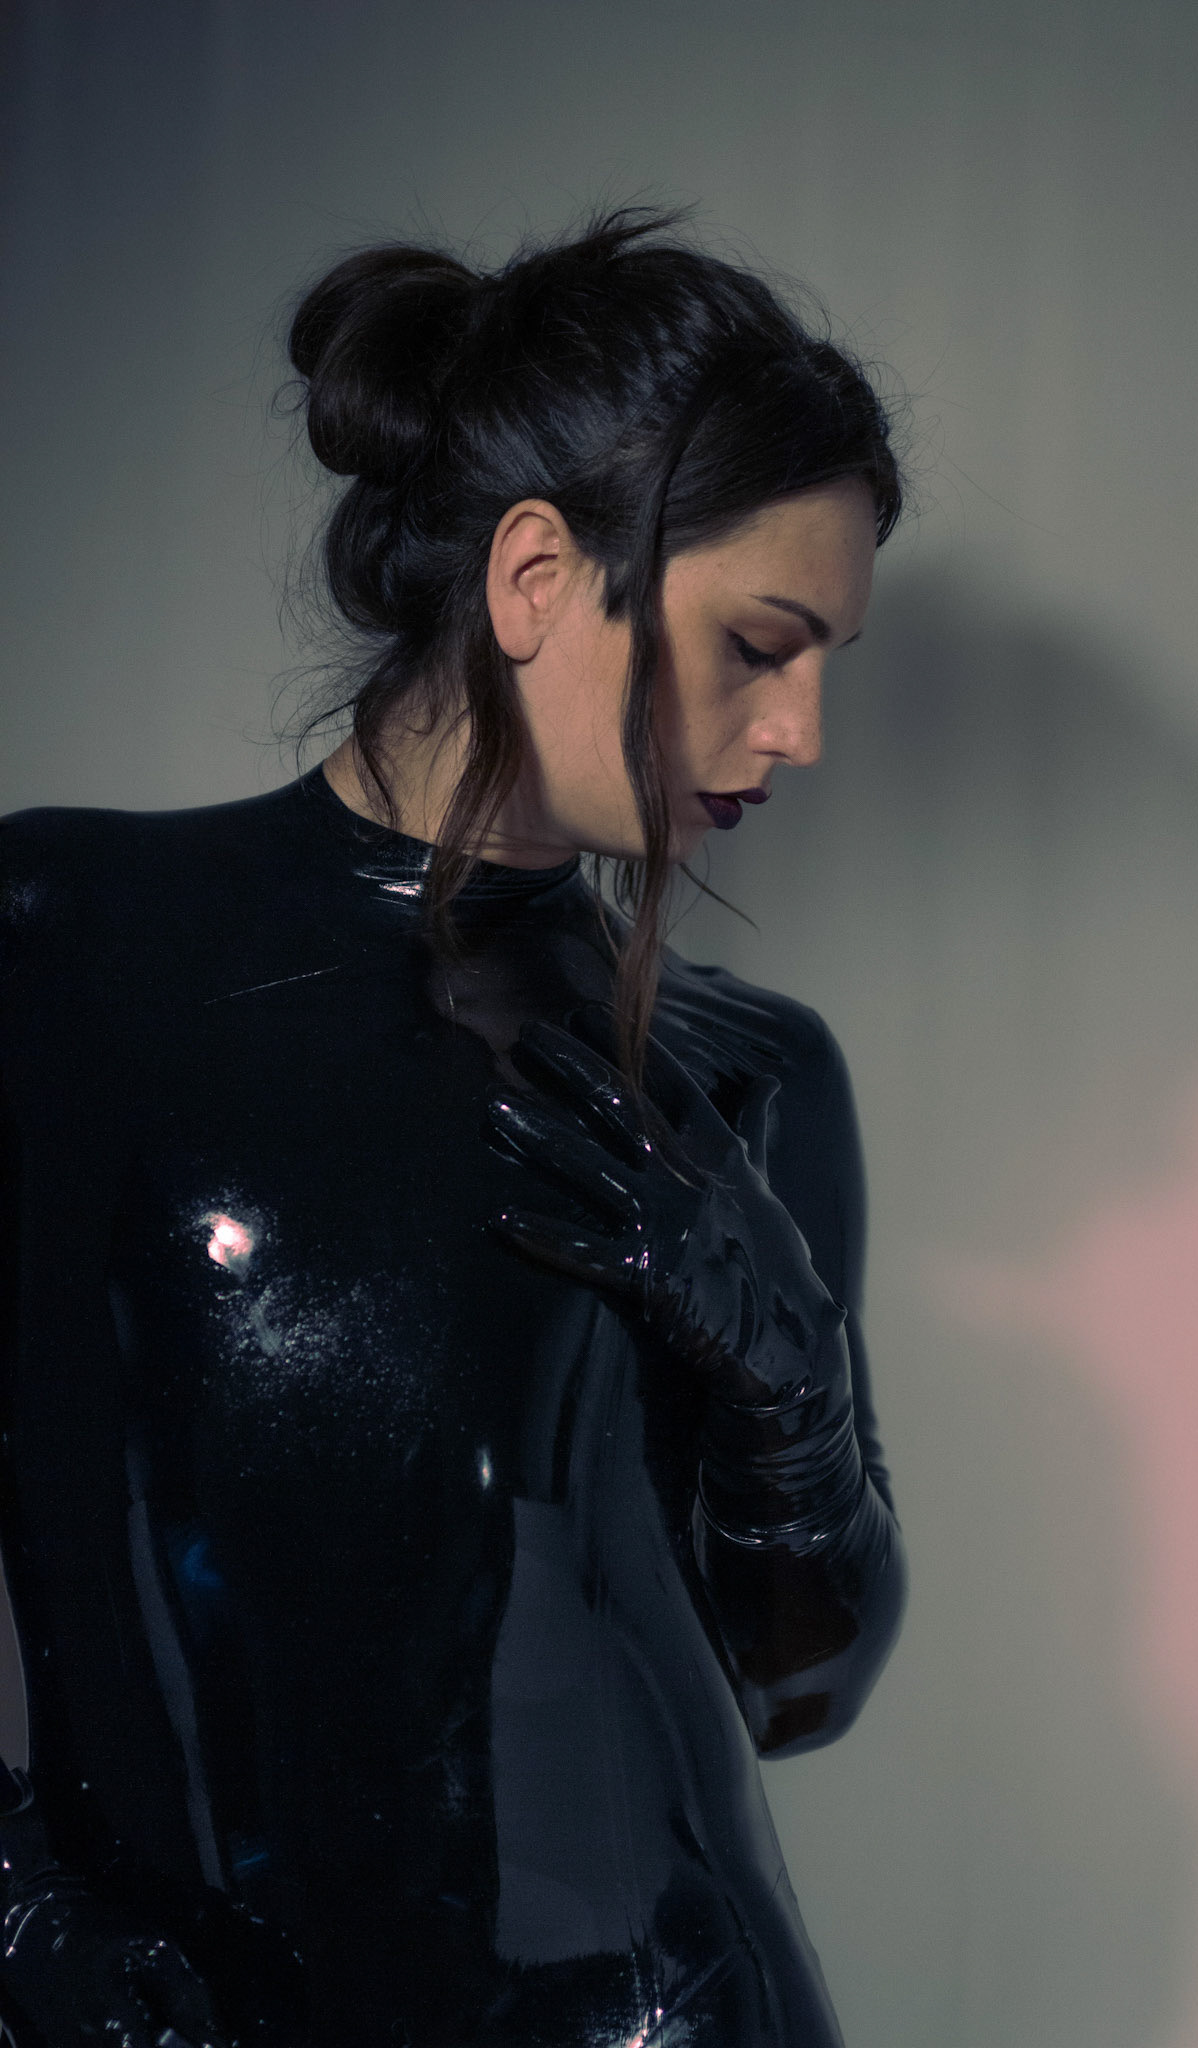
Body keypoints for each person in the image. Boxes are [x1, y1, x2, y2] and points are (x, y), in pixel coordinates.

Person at [0, 209, 908, 2048]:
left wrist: (787, 1385)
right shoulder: (67, 941)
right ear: (533, 575)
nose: (802, 731)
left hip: (671, 2012)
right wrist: (16, 1914)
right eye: (759, 645)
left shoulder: (747, 1073)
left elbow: (798, 1689)